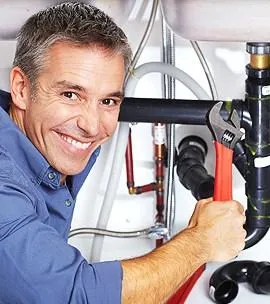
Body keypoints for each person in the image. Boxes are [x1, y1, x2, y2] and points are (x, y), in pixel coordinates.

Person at [0, 2, 246, 303]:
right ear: (21, 88)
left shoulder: (42, 143)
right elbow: (74, 296)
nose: (92, 126)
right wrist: (199, 243)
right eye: (70, 95)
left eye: (108, 102)